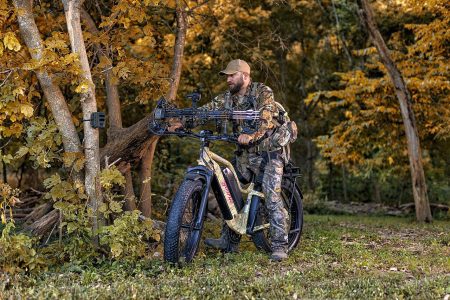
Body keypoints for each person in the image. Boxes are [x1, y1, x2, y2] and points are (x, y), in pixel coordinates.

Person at [171, 59, 290, 261]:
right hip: (246, 153)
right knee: (228, 191)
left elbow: (266, 116)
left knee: (271, 195)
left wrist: (252, 135)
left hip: (270, 151)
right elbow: (206, 111)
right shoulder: (228, 98)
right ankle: (229, 241)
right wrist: (181, 122)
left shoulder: (262, 92)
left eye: (231, 75)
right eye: (227, 76)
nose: (228, 80)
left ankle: (280, 246)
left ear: (244, 75)